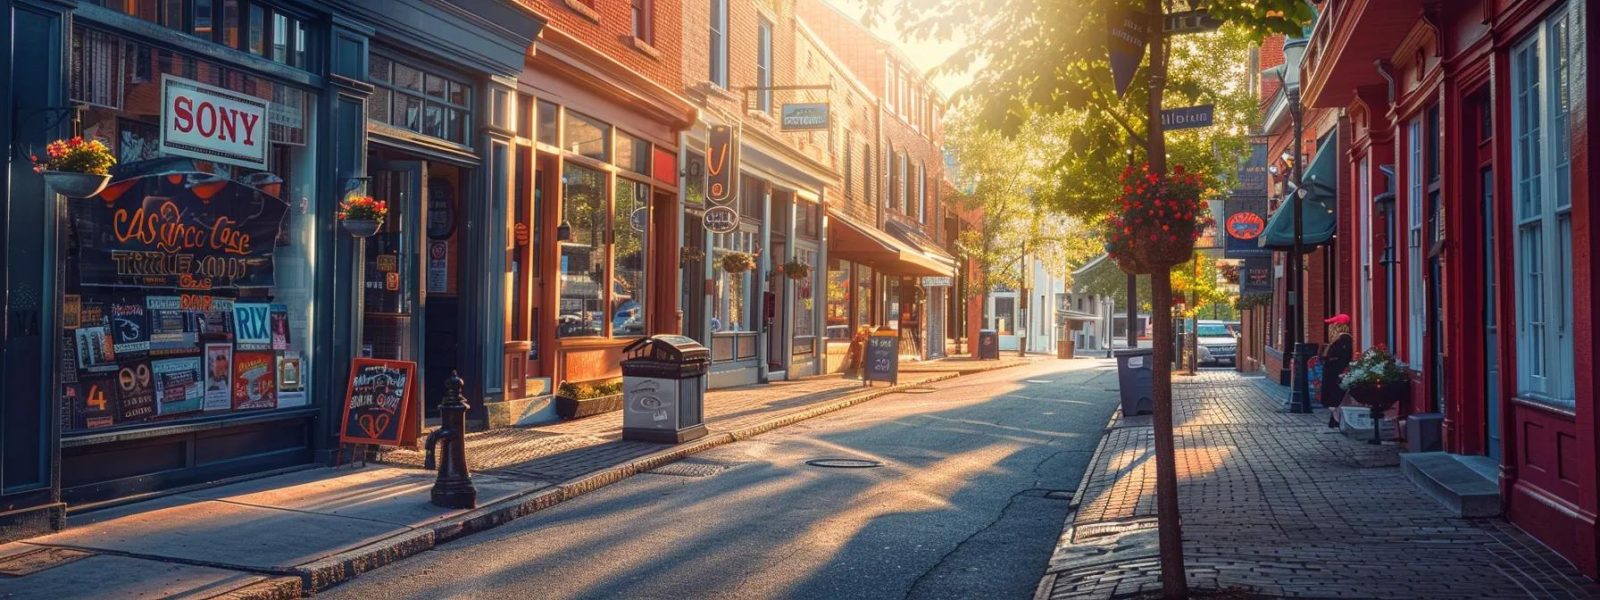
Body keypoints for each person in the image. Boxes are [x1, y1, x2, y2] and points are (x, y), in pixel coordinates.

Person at [1320, 314, 1355, 428]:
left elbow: (1342, 357)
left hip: (1335, 373)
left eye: (1333, 324)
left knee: (1334, 397)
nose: (1331, 327)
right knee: (1331, 397)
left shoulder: (1344, 339)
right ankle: (1335, 419)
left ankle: (1336, 418)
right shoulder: (1340, 338)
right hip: (1332, 372)